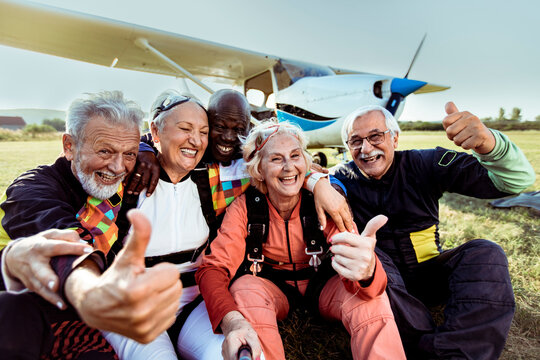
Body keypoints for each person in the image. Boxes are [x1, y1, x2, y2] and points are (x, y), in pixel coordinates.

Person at [331, 103, 535, 359]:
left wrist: (489, 144)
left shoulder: (424, 162)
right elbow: (302, 180)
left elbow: (515, 182)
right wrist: (315, 183)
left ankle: (457, 353)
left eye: (375, 136)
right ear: (348, 148)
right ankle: (421, 344)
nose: (366, 148)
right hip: (382, 283)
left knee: (486, 252)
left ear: (394, 138)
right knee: (371, 256)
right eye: (355, 141)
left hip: (430, 273)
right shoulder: (340, 177)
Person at [196, 121, 406, 360]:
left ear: (305, 162)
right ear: (258, 170)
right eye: (276, 159)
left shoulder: (325, 200)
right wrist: (230, 320)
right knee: (244, 289)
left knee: (370, 302)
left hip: (325, 285)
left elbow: (357, 264)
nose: (288, 167)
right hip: (272, 288)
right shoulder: (245, 207)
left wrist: (367, 272)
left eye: (295, 155)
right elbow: (213, 268)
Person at [0, 91, 182, 359]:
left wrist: (144, 151)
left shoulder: (128, 173)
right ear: (69, 146)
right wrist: (91, 293)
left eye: (128, 154)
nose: (118, 167)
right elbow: (64, 245)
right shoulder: (31, 189)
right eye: (105, 151)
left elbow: (170, 140)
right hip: (38, 320)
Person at [102, 90, 225, 360]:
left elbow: (273, 164)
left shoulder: (212, 179)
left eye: (204, 132)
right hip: (133, 304)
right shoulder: (123, 182)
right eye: (185, 128)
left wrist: (318, 182)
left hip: (194, 303)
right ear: (155, 131)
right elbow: (88, 240)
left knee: (232, 354)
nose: (195, 140)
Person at [127, 89, 354, 232]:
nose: (228, 137)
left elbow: (293, 166)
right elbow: (158, 137)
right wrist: (143, 149)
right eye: (218, 127)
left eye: (238, 129)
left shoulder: (247, 162)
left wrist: (322, 185)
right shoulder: (189, 152)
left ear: (248, 128)